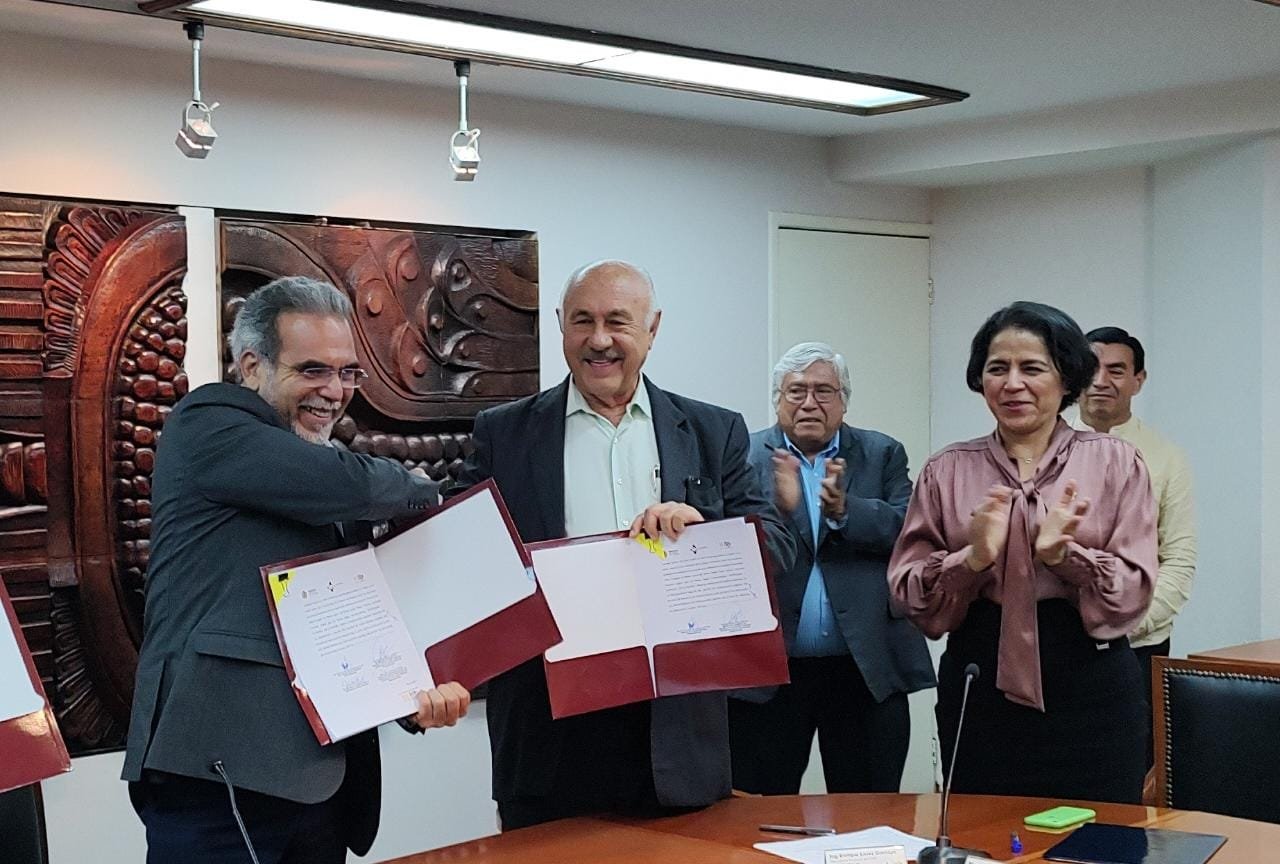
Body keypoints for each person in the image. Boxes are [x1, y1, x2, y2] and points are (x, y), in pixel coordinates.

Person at [122, 277, 471, 864]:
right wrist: (426, 491)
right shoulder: (208, 424)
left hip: (320, 783)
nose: (334, 391)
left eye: (347, 372)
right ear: (252, 366)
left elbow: (360, 614)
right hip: (221, 777)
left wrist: (411, 695)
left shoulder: (327, 469)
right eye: (312, 370)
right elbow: (356, 484)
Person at [447, 259, 795, 830]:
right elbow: (460, 555)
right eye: (582, 320)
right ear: (560, 325)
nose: (599, 340)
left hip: (674, 735)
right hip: (546, 730)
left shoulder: (713, 430)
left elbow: (776, 547)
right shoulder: (504, 432)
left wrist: (706, 535)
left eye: (617, 321)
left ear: (652, 329)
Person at [888, 301, 1157, 804]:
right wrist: (971, 560)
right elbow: (909, 594)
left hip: (1091, 685)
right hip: (979, 684)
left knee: (1100, 838)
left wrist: (1064, 556)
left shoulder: (1115, 463)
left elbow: (1133, 594)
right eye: (998, 368)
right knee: (983, 834)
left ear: (1066, 379)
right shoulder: (947, 469)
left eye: (1032, 368)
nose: (1013, 384)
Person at [729, 342, 935, 794]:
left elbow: (911, 529)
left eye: (823, 391)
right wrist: (781, 512)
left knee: (869, 808)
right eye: (796, 391)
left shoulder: (881, 452)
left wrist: (845, 510)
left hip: (864, 669)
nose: (809, 403)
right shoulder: (743, 455)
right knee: (757, 809)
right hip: (771, 672)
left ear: (844, 400)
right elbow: (727, 548)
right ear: (777, 399)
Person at [1078, 325, 1196, 765]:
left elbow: (1178, 558)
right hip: (1057, 644)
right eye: (1091, 367)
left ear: (1138, 380)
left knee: (1129, 768)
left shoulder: (1166, 457)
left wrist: (1124, 622)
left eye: (1116, 370)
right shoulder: (1046, 447)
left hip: (1138, 646)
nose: (1100, 380)